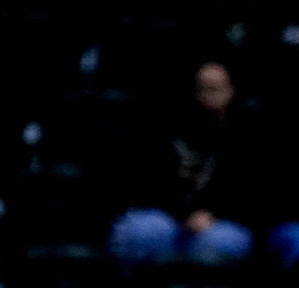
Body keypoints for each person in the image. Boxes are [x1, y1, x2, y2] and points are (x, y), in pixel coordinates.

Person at [108, 61, 259, 268]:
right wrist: (180, 215)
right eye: (204, 88)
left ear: (231, 90)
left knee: (221, 240)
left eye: (217, 88)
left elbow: (250, 192)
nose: (210, 94)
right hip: (165, 215)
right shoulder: (164, 127)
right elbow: (143, 181)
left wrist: (212, 214)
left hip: (217, 222)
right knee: (147, 230)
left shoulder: (247, 138)